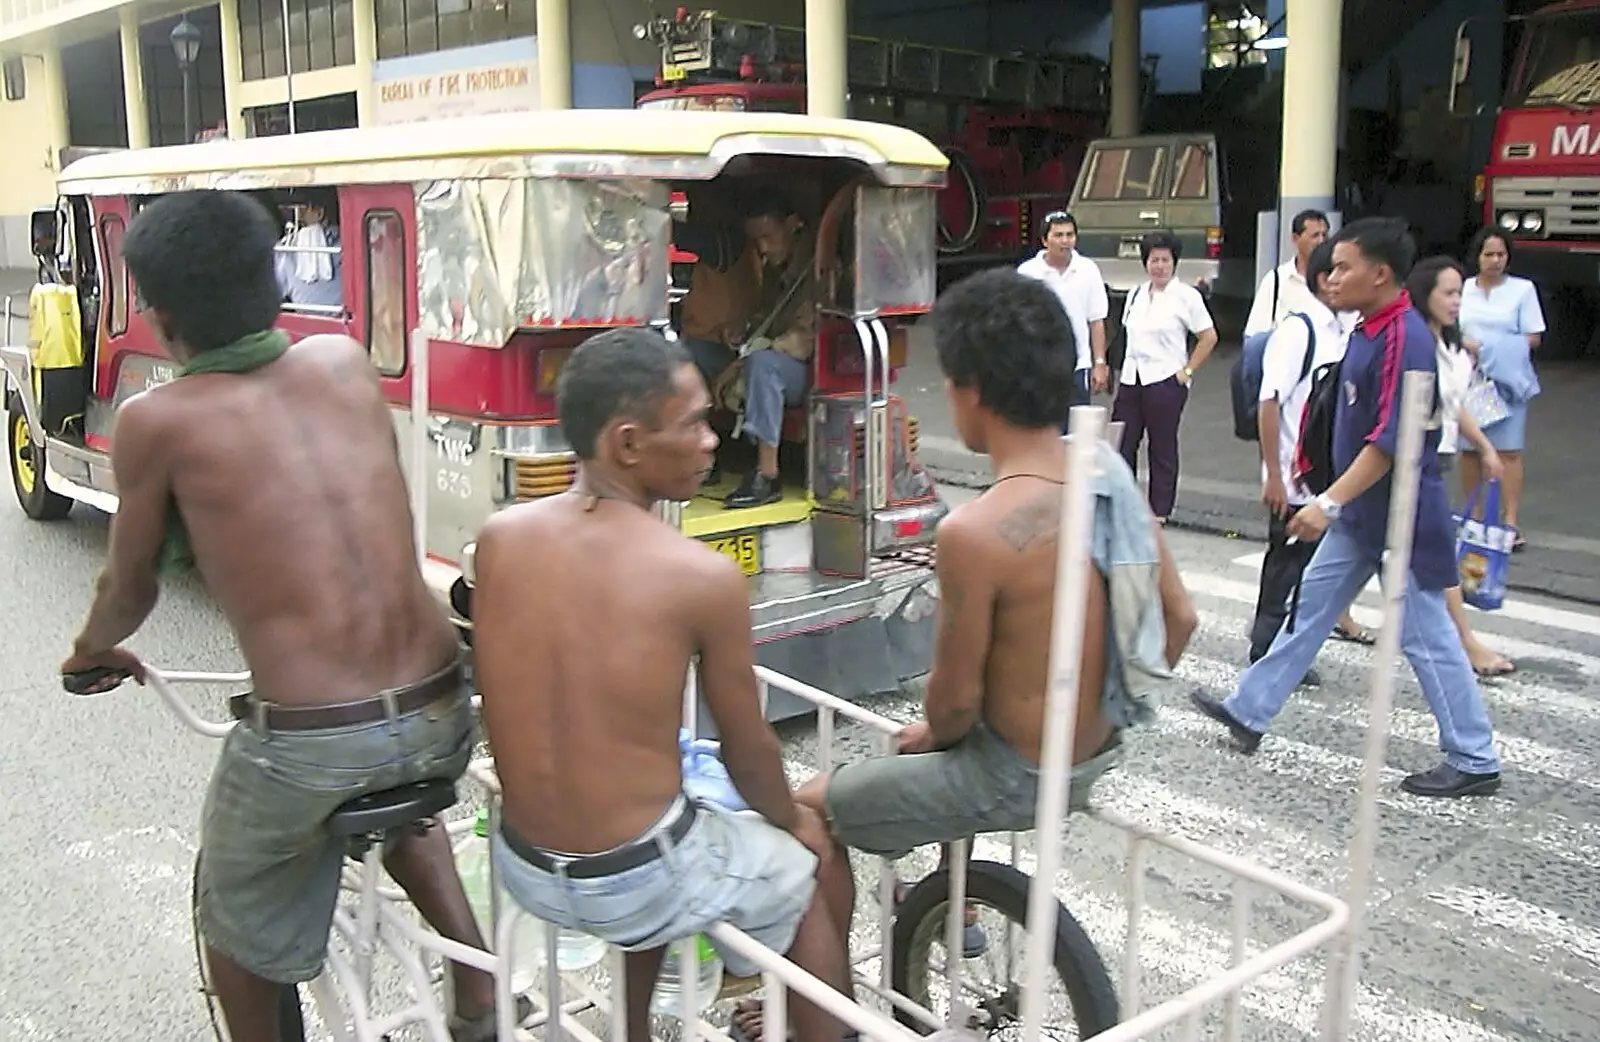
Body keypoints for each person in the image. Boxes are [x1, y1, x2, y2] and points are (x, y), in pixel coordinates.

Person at [58, 190, 503, 1042]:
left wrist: (90, 651)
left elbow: (132, 587)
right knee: (402, 796)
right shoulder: (342, 362)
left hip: (312, 741)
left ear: (154, 311)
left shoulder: (158, 422)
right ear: (275, 280)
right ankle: (477, 983)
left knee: (232, 918)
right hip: (443, 705)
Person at [770, 270, 1196, 1042]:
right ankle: (940, 911)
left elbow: (953, 706)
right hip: (1096, 754)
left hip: (1012, 775)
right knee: (919, 766)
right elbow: (1180, 619)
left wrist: (933, 734)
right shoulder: (1106, 473)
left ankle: (831, 1020)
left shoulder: (974, 532)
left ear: (969, 392)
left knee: (806, 809)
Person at [471, 326, 853, 1042]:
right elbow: (748, 750)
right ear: (626, 444)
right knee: (806, 867)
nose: (714, 440)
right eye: (695, 424)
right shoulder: (698, 575)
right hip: (635, 877)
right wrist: (792, 823)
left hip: (525, 863)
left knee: (659, 821)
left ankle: (631, 1029)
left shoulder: (501, 537)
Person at [1190, 217, 1503, 799]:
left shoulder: (1403, 337)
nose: (1331, 277)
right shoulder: (1368, 328)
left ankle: (1473, 754)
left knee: (1425, 634)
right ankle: (1249, 709)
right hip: (1362, 514)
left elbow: (1390, 440)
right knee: (1309, 607)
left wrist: (1327, 503)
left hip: (1400, 514)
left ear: (1380, 274)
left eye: (1343, 266)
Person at [1247, 240, 1366, 686]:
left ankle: (1284, 652)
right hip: (1293, 477)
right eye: (1337, 270)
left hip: (1325, 474)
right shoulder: (1299, 330)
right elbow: (1269, 402)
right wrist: (1273, 476)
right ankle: (1265, 650)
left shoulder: (1345, 329)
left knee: (1310, 572)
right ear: (1323, 280)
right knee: (1286, 565)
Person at [1406, 255, 1516, 678]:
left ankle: (1262, 686)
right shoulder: (1414, 343)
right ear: (1424, 294)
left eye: (1459, 294)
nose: (1455, 302)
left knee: (1352, 561)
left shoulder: (1453, 347)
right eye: (1447, 293)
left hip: (1440, 455)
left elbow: (1457, 406)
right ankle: (1465, 642)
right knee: (1437, 556)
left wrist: (1486, 448)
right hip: (1412, 461)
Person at [680, 188, 815, 510]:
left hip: (801, 370)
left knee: (763, 365)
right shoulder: (773, 267)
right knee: (693, 352)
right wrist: (744, 329)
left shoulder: (818, 268)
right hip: (761, 354)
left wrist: (752, 353)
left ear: (793, 224)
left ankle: (767, 474)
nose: (764, 248)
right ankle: (703, 458)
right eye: (758, 241)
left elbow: (804, 339)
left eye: (769, 237)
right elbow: (768, 314)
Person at [1111, 229, 1219, 523]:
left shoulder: (1186, 297)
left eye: (1165, 260)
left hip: (1165, 379)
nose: (1159, 266)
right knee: (1122, 443)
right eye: (1153, 260)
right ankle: (1124, 503)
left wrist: (1186, 372)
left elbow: (1208, 337)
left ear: (1174, 262)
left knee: (1161, 446)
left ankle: (1159, 509)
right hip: (1132, 379)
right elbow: (1126, 336)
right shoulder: (1136, 293)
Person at [1457, 226, 1545, 551]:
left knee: (1508, 452)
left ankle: (1509, 523)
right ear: (1477, 257)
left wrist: (1489, 348)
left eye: (1501, 255)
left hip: (1507, 379)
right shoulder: (1464, 289)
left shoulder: (1523, 290)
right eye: (1489, 254)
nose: (1495, 261)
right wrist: (1465, 344)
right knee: (1468, 451)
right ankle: (1475, 517)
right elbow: (1450, 325)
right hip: (1469, 378)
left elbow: (1533, 336)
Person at [1016, 210, 1110, 412]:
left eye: (1070, 235)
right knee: (1043, 434)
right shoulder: (1027, 273)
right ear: (1044, 240)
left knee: (1076, 436)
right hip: (1039, 369)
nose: (1065, 241)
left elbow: (1096, 320)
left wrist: (1100, 363)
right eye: (1058, 235)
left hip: (1077, 367)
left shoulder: (1088, 270)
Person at [1243, 209, 1331, 337]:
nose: (1321, 241)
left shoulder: (1336, 280)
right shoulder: (1276, 280)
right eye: (1315, 236)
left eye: (1325, 235)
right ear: (1295, 239)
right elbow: (1254, 333)